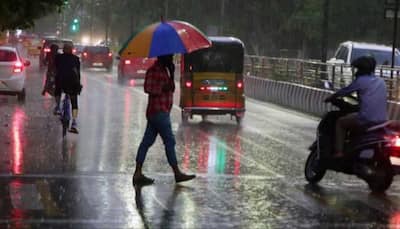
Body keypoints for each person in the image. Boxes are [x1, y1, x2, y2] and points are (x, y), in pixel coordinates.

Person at [133, 54, 195, 185]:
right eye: (170, 57)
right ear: (163, 57)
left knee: (147, 142)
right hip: (158, 112)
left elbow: (171, 88)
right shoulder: (153, 70)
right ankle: (177, 172)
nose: (172, 59)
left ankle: (137, 173)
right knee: (169, 141)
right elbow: (148, 88)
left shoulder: (165, 71)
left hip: (162, 111)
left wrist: (172, 74)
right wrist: (162, 88)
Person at [325, 56, 387, 158]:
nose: (356, 72)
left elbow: (344, 91)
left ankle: (339, 152)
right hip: (382, 120)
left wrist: (330, 98)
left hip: (366, 118)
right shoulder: (381, 81)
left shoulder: (361, 80)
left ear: (361, 70)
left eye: (357, 69)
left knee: (340, 122)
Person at [54, 44, 82, 134]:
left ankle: (58, 106)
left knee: (57, 89)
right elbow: (78, 73)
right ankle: (74, 122)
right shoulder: (76, 59)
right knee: (74, 102)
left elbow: (55, 69)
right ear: (72, 50)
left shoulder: (58, 58)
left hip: (61, 81)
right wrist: (78, 84)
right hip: (73, 83)